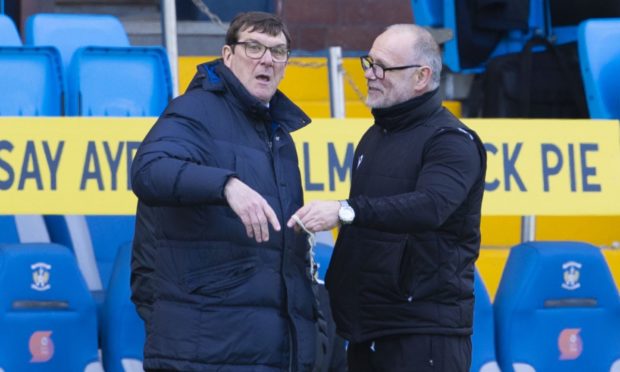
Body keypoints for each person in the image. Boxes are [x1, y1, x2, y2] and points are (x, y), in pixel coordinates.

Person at [130, 11, 325, 371]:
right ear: (227, 55)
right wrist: (226, 185)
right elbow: (147, 170)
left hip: (265, 350)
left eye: (278, 51)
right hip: (205, 349)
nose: (267, 59)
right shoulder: (195, 110)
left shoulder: (277, 133)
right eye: (254, 47)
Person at [287, 24, 487, 372]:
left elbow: (431, 206)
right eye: (368, 62)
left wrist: (345, 210)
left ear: (422, 76)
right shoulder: (375, 135)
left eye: (383, 67)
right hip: (369, 326)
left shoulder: (451, 140)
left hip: (423, 332)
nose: (369, 74)